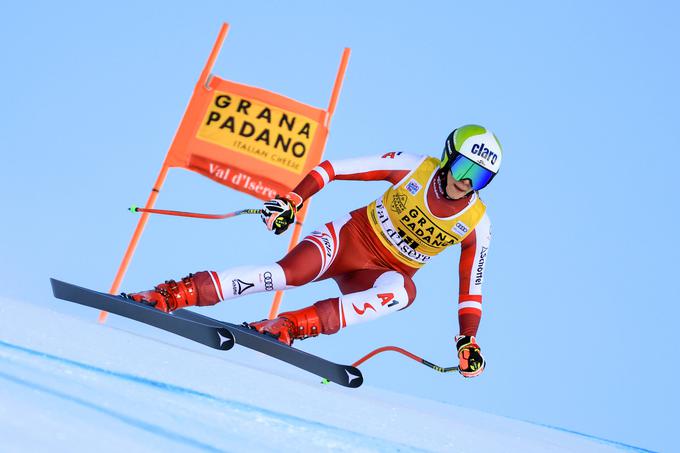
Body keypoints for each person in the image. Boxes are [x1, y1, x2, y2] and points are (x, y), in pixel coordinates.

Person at [129, 124, 502, 378]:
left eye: (481, 177)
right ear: (448, 156)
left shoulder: (477, 223)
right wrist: (294, 199)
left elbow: (471, 289)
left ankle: (289, 326)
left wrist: (467, 338)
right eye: (465, 167)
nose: (467, 181)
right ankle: (172, 294)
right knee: (284, 276)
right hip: (348, 240)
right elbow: (333, 168)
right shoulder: (412, 167)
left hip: (378, 274)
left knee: (405, 293)